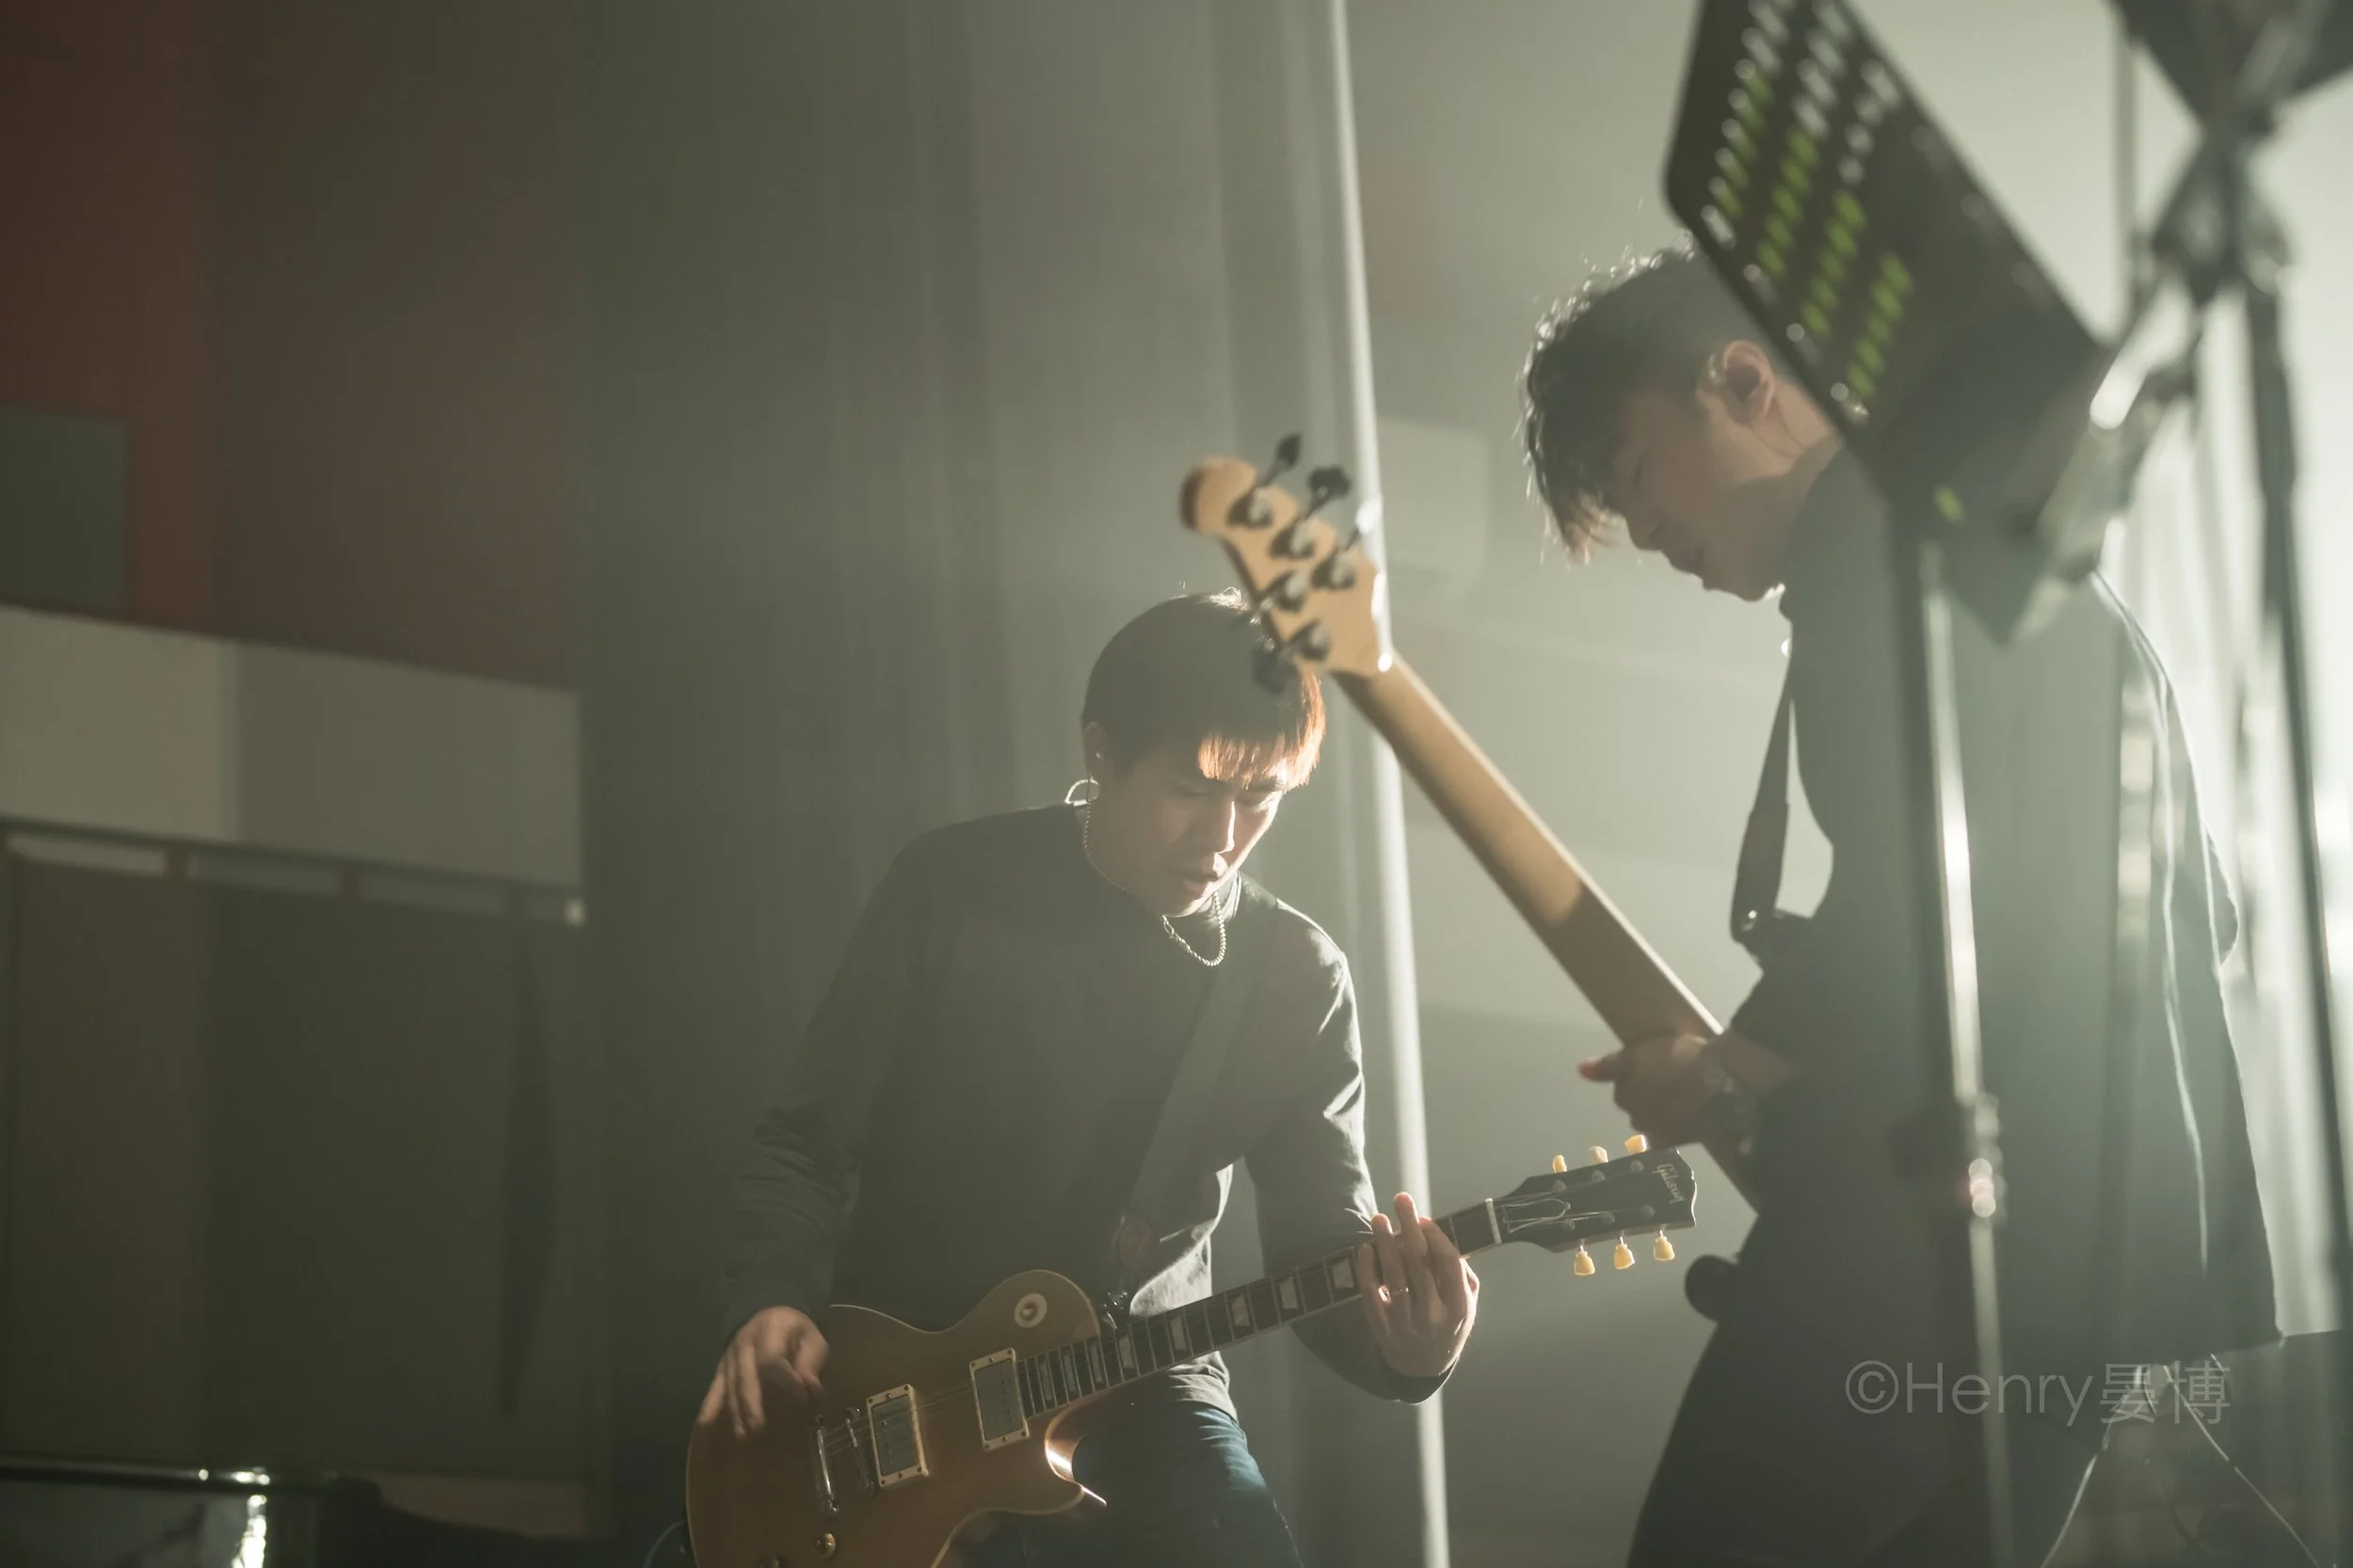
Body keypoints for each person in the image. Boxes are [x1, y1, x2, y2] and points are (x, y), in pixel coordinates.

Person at [1519, 244, 2277, 1567]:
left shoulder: (1881, 567)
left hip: (1926, 1252)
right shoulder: (1995, 556)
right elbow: (2191, 910)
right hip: (2089, 1289)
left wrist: (1728, 1071)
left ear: (1745, 381)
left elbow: (1923, 900)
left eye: (1633, 472)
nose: (1642, 533)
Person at [699, 590, 1477, 1568]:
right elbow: (808, 1137)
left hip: (1143, 1383)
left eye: (1261, 796)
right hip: (902, 1378)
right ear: (1101, 752)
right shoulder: (952, 884)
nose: (1224, 837)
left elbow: (1316, 1247)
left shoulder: (1296, 975)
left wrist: (1410, 1351)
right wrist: (772, 1299)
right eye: (1192, 789)